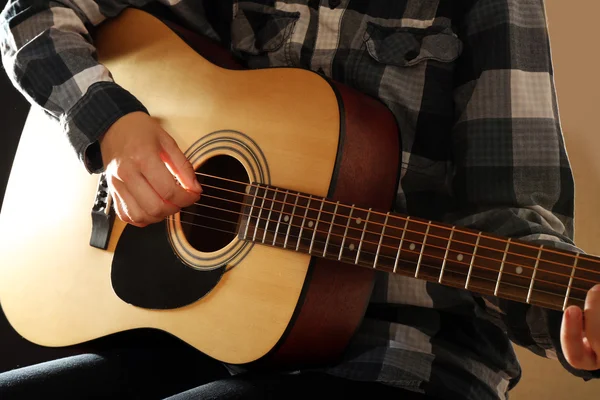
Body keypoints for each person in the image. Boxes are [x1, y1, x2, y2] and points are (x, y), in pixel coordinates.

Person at [0, 0, 599, 399]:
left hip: (401, 355)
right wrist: (113, 126)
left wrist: (574, 315)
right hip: (189, 336)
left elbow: (515, 219)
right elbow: (33, 15)